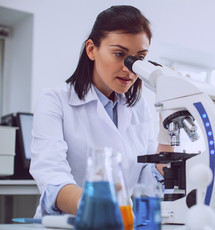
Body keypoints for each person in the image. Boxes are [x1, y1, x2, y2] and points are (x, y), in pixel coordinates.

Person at [30, 5, 172, 218]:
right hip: (67, 228)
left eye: (139, 59)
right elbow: (52, 179)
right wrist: (96, 206)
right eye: (119, 54)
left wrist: (167, 126)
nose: (130, 68)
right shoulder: (54, 100)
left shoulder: (138, 106)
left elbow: (147, 179)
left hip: (120, 227)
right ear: (91, 50)